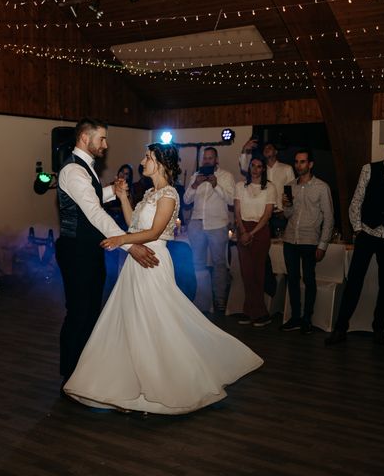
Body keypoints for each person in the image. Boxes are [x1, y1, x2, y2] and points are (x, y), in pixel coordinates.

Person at [63, 143, 263, 414]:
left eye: (148, 157)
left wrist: (121, 239)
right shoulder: (149, 193)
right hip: (136, 263)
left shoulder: (169, 195)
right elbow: (136, 224)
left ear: (160, 163)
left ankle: (171, 382)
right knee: (134, 321)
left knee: (157, 321)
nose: (143, 160)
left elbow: (154, 232)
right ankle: (133, 383)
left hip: (153, 261)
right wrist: (122, 198)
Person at [55, 118, 159, 385]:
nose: (106, 144)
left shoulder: (84, 168)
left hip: (90, 249)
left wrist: (113, 190)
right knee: (79, 311)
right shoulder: (73, 171)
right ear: (84, 138)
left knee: (90, 310)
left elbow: (89, 198)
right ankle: (70, 373)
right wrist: (127, 244)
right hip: (76, 250)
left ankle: (85, 371)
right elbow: (93, 212)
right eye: (102, 139)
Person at [325, 135, 384, 346]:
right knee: (354, 282)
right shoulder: (369, 169)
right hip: (367, 233)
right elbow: (356, 201)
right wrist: (358, 230)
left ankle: (379, 329)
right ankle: (340, 328)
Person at [279, 149, 335, 334]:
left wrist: (323, 244)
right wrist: (286, 204)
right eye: (296, 162)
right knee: (292, 280)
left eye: (302, 162)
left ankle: (307, 319)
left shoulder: (322, 187)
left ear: (310, 164)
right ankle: (295, 317)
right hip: (290, 238)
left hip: (310, 239)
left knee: (309, 280)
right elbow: (287, 215)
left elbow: (329, 218)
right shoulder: (290, 185)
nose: (298, 165)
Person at [183, 147, 235, 314]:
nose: (207, 161)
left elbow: (231, 200)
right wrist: (195, 185)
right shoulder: (195, 176)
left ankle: (219, 302)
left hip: (217, 225)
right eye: (205, 158)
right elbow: (186, 199)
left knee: (219, 264)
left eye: (210, 158)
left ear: (216, 160)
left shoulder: (226, 176)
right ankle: (201, 302)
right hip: (197, 224)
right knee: (197, 263)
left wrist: (216, 185)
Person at [233, 154, 277, 327]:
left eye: (259, 166)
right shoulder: (240, 186)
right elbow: (237, 211)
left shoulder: (270, 188)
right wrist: (243, 231)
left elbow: (267, 215)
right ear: (249, 167)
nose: (256, 169)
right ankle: (252, 311)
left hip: (260, 231)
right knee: (247, 274)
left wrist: (251, 234)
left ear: (263, 169)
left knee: (258, 273)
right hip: (243, 228)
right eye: (253, 165)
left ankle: (258, 313)